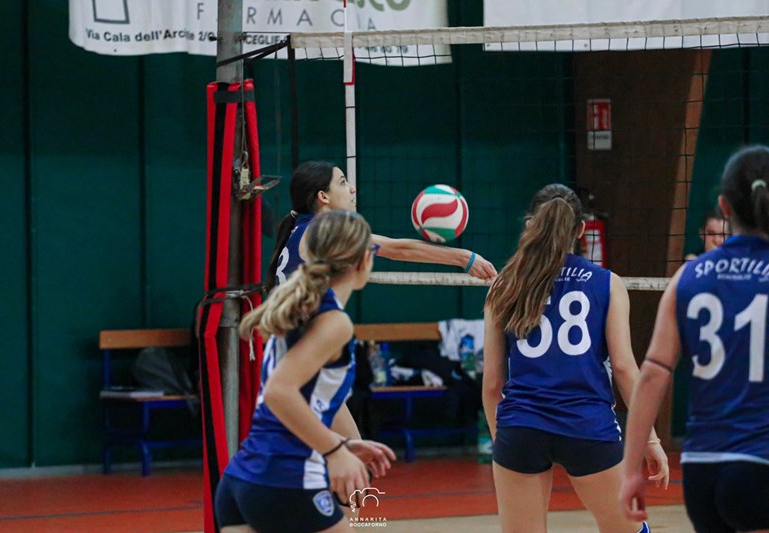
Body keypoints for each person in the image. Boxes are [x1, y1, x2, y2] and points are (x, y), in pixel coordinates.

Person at [482, 183, 670, 533]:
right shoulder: (607, 283)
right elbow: (624, 369)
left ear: (530, 224)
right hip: (587, 426)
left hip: (522, 425)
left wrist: (504, 440)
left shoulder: (503, 285)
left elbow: (493, 383)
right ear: (581, 229)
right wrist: (650, 439)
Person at [215, 211, 396, 533]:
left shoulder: (295, 309)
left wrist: (341, 443)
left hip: (241, 480)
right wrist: (334, 450)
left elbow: (283, 404)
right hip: (287, 480)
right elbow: (279, 392)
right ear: (363, 260)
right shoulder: (332, 321)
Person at [619, 146, 769, 533]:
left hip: (701, 470)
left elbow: (653, 375)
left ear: (725, 207)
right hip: (759, 462)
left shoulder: (689, 276)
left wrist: (631, 469)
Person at [268, 160, 497, 287]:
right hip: (300, 344)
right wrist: (464, 258)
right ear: (323, 196)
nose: (352, 189)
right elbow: (399, 249)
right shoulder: (323, 232)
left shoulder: (301, 230)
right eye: (343, 182)